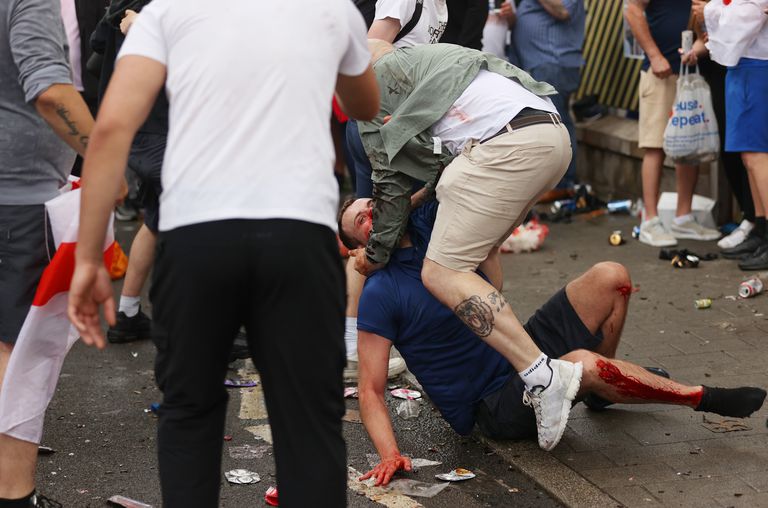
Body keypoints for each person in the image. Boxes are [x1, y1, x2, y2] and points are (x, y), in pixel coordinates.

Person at [67, 0, 379, 506]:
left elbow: (110, 129)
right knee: (309, 425)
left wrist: (87, 258)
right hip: (296, 234)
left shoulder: (165, 12)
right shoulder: (330, 7)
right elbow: (365, 104)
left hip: (195, 235)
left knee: (189, 413)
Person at [353, 201, 767, 485]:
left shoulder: (429, 228)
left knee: (611, 275)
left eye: (372, 204)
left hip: (521, 346)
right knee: (582, 364)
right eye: (361, 221)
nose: (371, 213)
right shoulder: (381, 292)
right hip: (493, 404)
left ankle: (604, 392)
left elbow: (494, 283)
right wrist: (390, 454)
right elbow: (371, 390)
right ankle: (704, 397)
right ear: (362, 247)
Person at [342, 40, 580, 452]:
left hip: (506, 146)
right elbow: (432, 176)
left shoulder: (372, 93)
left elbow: (392, 188)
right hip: (551, 136)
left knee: (439, 272)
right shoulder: (422, 59)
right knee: (459, 262)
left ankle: (542, 376)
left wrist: (375, 256)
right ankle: (548, 375)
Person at [0, 0, 97, 505]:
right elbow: (49, 88)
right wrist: (105, 157)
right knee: (18, 351)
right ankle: (13, 494)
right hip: (16, 195)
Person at [343, 0, 449, 380]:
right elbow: (371, 48)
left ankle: (359, 342)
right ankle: (357, 345)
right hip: (383, 126)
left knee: (377, 233)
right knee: (381, 233)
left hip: (394, 127)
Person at [624, 0, 721, 247]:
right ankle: (650, 220)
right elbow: (633, 10)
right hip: (659, 74)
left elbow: (705, 25)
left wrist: (697, 50)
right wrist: (655, 56)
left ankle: (683, 217)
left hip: (691, 73)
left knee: (690, 147)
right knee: (654, 146)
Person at [684, 0, 756, 253]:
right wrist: (695, 49)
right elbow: (710, 35)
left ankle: (756, 222)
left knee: (750, 152)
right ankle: (751, 219)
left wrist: (711, 12)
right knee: (733, 148)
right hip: (719, 72)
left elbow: (744, 23)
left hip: (747, 67)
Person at [704, 0, 768, 270]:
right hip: (744, 65)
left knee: (757, 156)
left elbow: (737, 24)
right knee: (748, 155)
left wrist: (713, 10)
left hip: (757, 65)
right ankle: (761, 230)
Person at [513, 0, 586, 189]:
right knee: (548, 123)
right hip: (538, 61)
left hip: (552, 62)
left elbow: (562, 11)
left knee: (556, 123)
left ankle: (564, 184)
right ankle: (554, 183)